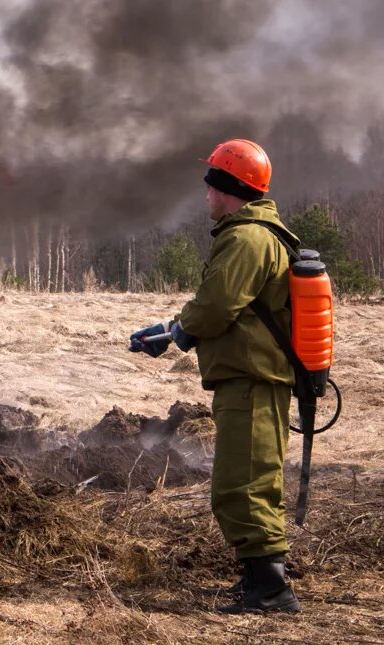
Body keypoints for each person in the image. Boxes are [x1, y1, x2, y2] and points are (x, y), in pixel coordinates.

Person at [128, 139, 302, 613]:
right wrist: (172, 331)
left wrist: (178, 333)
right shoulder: (258, 234)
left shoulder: (247, 238)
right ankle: (257, 581)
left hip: (251, 379)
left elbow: (217, 305)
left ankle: (271, 591)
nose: (205, 195)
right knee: (247, 480)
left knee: (242, 484)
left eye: (210, 185)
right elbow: (222, 306)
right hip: (249, 377)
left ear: (228, 188)